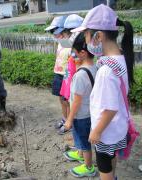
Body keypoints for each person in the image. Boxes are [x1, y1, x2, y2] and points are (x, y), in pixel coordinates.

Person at [72, 4, 135, 180]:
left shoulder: (106, 71)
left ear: (98, 36)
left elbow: (110, 108)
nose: (85, 40)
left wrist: (97, 131)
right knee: (112, 156)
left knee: (104, 165)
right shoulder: (120, 58)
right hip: (118, 127)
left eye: (86, 35)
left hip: (106, 131)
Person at [63, 32, 97, 177]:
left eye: (75, 53)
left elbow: (76, 101)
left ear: (82, 53)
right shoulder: (95, 68)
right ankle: (81, 155)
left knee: (84, 142)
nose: (73, 55)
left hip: (81, 115)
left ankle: (88, 167)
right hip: (90, 112)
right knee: (84, 139)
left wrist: (70, 119)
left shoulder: (80, 75)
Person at [54, 14, 84, 135]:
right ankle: (68, 120)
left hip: (75, 78)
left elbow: (79, 64)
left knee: (73, 101)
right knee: (65, 99)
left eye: (69, 33)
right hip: (68, 77)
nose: (67, 36)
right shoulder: (69, 46)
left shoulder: (80, 49)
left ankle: (71, 123)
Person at [45, 16, 72, 131]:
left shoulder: (71, 43)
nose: (53, 34)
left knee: (67, 101)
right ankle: (64, 118)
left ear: (63, 30)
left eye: (54, 31)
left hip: (66, 76)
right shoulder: (61, 42)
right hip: (58, 73)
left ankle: (70, 122)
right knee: (61, 99)